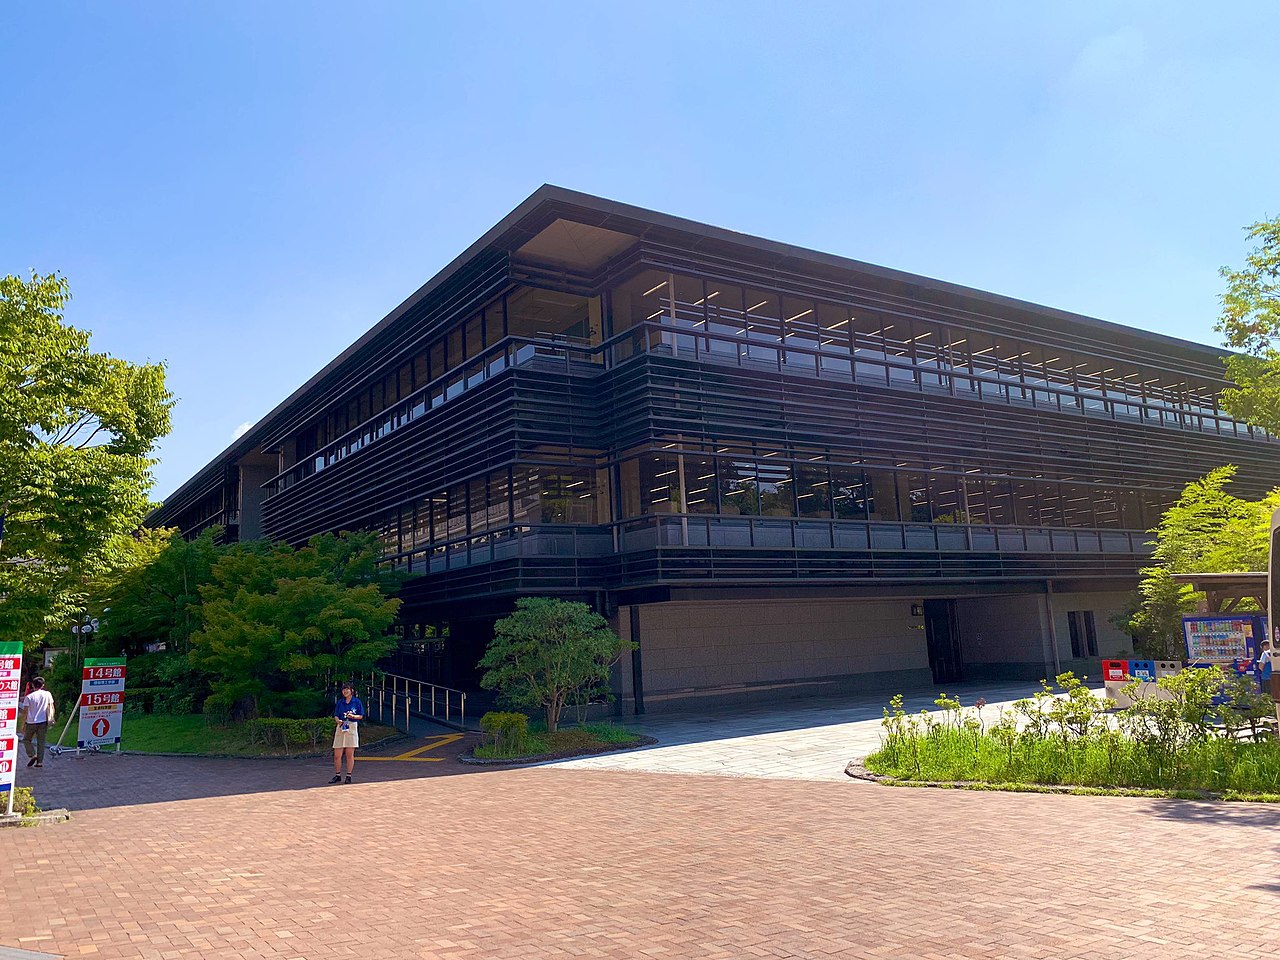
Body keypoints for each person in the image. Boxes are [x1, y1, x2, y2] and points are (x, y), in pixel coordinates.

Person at [330, 682, 364, 784]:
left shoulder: (356, 702)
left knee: (349, 754)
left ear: (351, 691)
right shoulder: (340, 702)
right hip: (341, 726)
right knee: (337, 754)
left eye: (347, 689)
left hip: (351, 726)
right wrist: (338, 721)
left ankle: (348, 775)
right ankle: (337, 775)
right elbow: (336, 715)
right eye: (344, 689)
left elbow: (361, 715)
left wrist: (353, 716)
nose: (345, 691)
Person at [21, 677, 55, 768]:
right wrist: (52, 718)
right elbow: (51, 706)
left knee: (26, 739)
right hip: (43, 721)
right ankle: (39, 762)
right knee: (41, 741)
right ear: (43, 685)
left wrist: (22, 725)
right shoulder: (47, 694)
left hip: (30, 722)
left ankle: (32, 754)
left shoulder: (29, 697)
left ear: (33, 685)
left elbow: (25, 712)